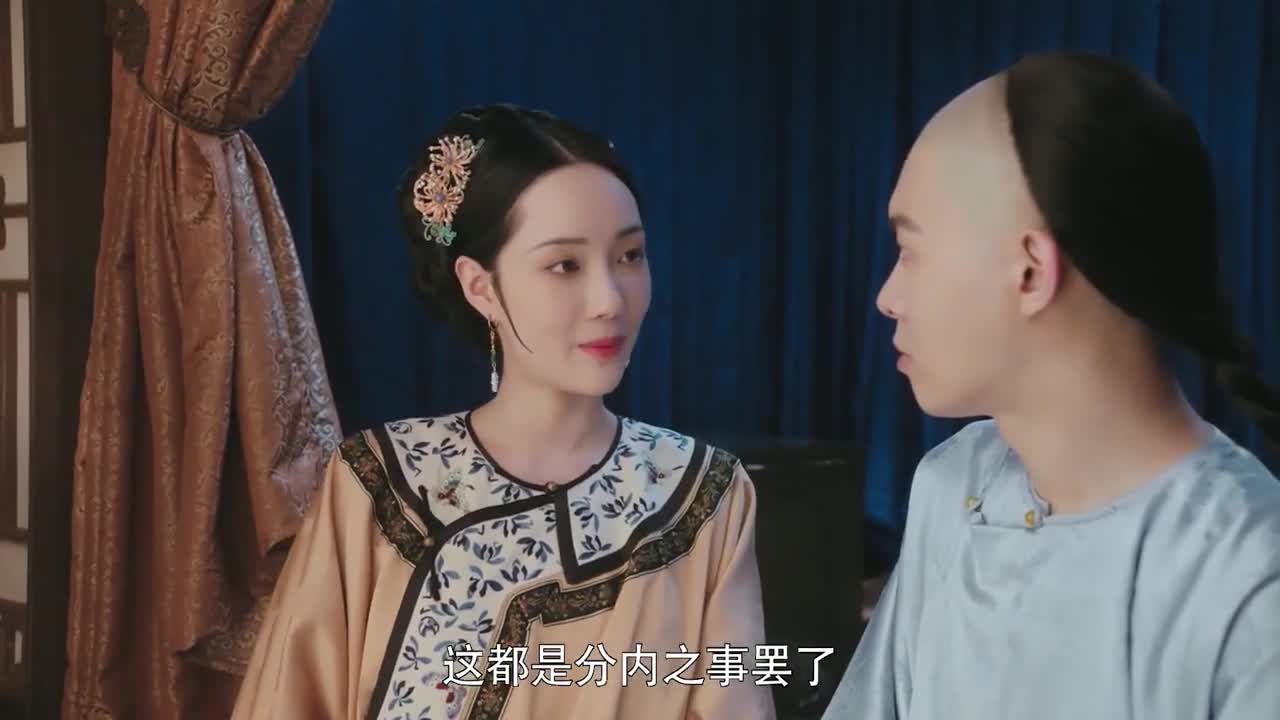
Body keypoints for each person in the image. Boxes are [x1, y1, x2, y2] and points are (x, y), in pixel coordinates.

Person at [232, 104, 775, 720]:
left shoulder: (701, 493)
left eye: (630, 256)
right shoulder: (380, 482)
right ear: (480, 286)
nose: (609, 299)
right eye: (564, 265)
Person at [824, 51, 1280, 719]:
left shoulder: (1249, 581)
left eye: (910, 250)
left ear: (1032, 270)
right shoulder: (952, 485)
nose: (888, 297)